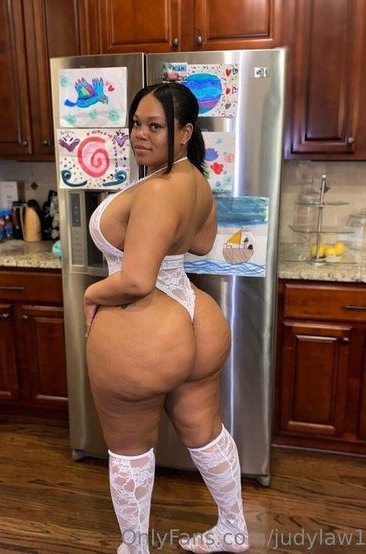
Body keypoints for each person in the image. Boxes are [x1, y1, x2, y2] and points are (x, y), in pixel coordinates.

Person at [84, 82, 249, 554]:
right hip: (198, 318)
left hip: (147, 327)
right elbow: (200, 243)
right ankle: (233, 528)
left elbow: (136, 281)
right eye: (137, 123)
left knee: (129, 447)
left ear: (185, 132)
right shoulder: (194, 180)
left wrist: (91, 294)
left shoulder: (157, 189)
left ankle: (135, 549)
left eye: (155, 126)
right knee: (205, 431)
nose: (141, 134)